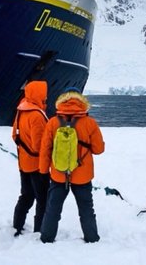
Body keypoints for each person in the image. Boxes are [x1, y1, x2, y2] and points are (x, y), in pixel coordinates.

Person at [39, 87, 105, 243]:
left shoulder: (53, 122)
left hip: (58, 174)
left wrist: (43, 170)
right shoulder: (90, 123)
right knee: (86, 209)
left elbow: (45, 149)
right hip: (82, 175)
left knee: (53, 208)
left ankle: (47, 238)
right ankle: (92, 238)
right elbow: (98, 149)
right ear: (81, 101)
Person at [11, 81, 50, 236]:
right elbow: (39, 145)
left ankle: (17, 224)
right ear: (38, 95)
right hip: (38, 166)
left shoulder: (21, 110)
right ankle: (40, 229)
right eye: (44, 94)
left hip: (23, 163)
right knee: (43, 199)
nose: (46, 97)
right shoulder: (37, 115)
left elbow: (15, 135)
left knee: (26, 195)